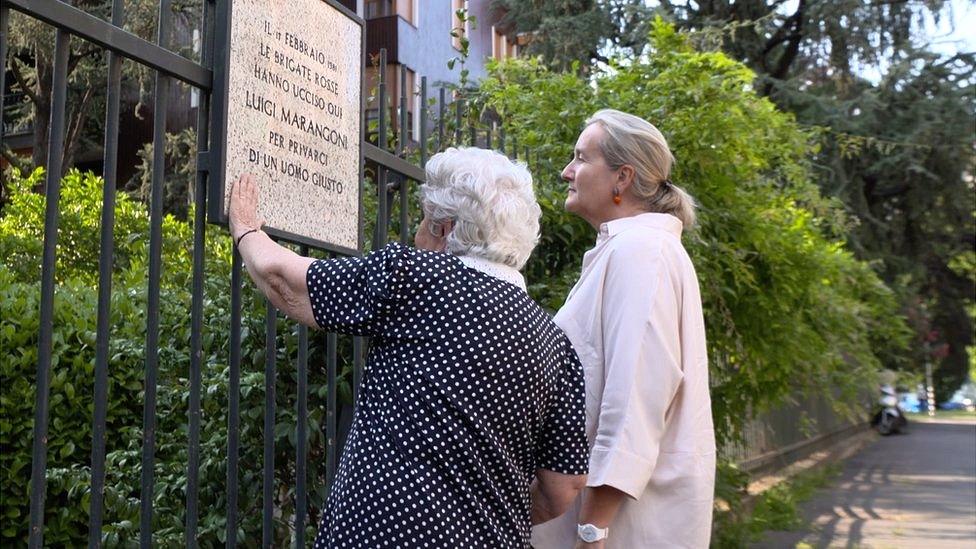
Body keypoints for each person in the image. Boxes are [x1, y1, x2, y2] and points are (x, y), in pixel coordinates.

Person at [227, 147, 589, 548]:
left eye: (423, 221)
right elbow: (564, 485)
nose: (416, 233)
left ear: (444, 229)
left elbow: (287, 282)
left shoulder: (418, 278)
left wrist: (246, 230)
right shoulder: (554, 340)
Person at [531, 109, 716, 548]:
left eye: (581, 158)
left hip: (619, 530)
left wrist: (593, 530)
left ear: (622, 178)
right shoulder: (632, 249)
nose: (566, 171)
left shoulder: (641, 252)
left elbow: (636, 399)